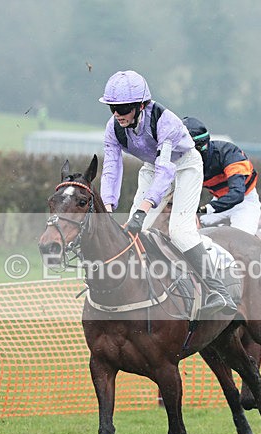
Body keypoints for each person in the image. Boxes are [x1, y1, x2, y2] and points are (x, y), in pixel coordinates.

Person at [98, 70, 236, 317]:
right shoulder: (113, 128)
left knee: (179, 231)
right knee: (131, 232)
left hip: (184, 166)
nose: (118, 115)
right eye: (113, 108)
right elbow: (111, 168)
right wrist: (107, 207)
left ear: (141, 105)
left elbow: (166, 170)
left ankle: (219, 291)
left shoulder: (165, 121)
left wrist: (144, 208)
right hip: (152, 166)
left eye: (124, 108)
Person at [182, 116, 261, 235]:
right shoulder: (183, 160)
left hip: (244, 202)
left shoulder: (230, 154)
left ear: (201, 147)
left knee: (240, 240)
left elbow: (237, 194)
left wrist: (207, 209)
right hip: (219, 201)